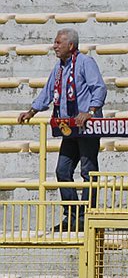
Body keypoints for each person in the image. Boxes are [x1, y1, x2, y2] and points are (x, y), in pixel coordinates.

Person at [18, 28, 107, 231]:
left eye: (58, 43)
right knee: (62, 170)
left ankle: (87, 217)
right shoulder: (59, 68)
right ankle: (72, 216)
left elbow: (99, 87)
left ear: (71, 46)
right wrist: (31, 111)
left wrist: (90, 111)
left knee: (88, 171)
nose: (54, 46)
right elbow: (47, 92)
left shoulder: (86, 62)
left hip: (87, 127)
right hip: (69, 128)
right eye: (55, 42)